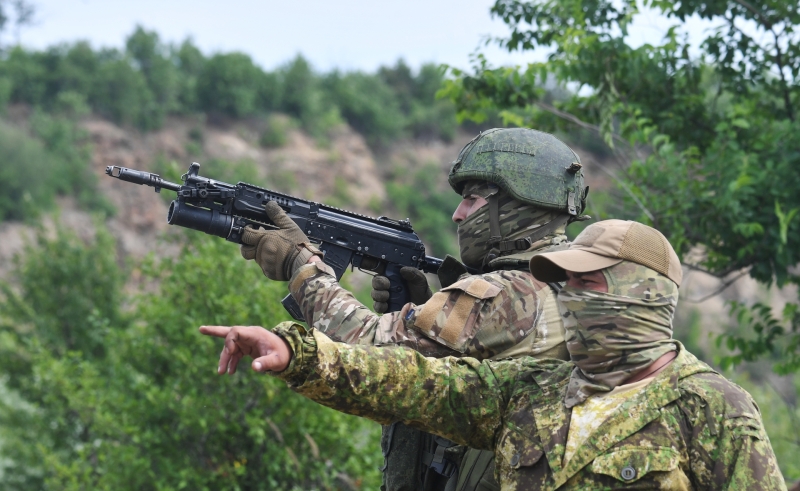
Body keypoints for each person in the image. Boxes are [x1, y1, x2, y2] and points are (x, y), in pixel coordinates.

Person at [202, 219, 787, 490]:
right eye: (564, 283)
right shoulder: (533, 387)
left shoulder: (712, 409)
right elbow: (410, 380)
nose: (568, 297)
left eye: (587, 284)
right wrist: (299, 353)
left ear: (644, 293)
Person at [238, 128, 589, 491]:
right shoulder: (574, 279)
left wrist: (303, 267)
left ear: (517, 204)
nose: (457, 214)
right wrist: (423, 312)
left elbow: (370, 355)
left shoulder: (507, 291)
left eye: (472, 200)